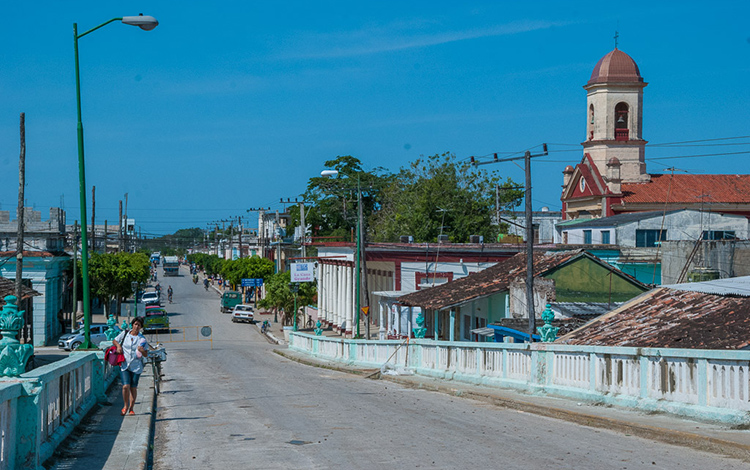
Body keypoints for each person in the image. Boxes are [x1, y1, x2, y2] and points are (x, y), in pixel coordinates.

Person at [112, 317, 149, 416]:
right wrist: (119, 346)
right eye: (135, 324)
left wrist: (142, 351)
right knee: (125, 386)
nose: (137, 326)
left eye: (139, 325)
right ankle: (125, 406)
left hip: (136, 366)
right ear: (132, 324)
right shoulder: (125, 334)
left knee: (133, 388)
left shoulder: (142, 339)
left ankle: (131, 408)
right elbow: (115, 341)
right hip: (124, 364)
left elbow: (146, 354)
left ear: (141, 327)